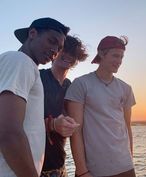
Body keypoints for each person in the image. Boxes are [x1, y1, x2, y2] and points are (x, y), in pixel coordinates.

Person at [0, 17, 69, 177]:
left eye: (59, 48)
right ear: (32, 33)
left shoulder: (23, 65)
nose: (55, 51)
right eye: (52, 41)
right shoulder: (20, 61)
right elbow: (7, 131)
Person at [65, 36, 136, 177]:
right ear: (102, 54)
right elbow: (76, 131)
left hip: (125, 166)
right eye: (115, 56)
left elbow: (127, 127)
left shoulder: (126, 88)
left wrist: (131, 159)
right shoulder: (81, 84)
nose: (119, 61)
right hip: (95, 169)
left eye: (121, 57)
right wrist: (81, 170)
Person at [40, 35, 88, 177]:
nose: (68, 56)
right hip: (32, 167)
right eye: (64, 50)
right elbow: (15, 123)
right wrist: (52, 124)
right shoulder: (37, 78)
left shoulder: (72, 87)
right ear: (54, 52)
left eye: (73, 54)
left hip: (60, 169)